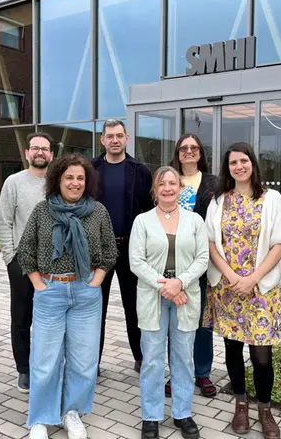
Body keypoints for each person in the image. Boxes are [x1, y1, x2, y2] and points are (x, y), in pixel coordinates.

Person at [17, 154, 118, 439]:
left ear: (87, 182)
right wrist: (39, 284)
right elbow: (26, 251)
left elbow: (110, 251)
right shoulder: (42, 211)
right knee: (45, 360)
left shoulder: (98, 211)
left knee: (84, 361)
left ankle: (71, 412)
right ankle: (41, 418)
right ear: (58, 180)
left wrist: (95, 282)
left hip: (86, 294)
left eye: (80, 178)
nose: (75, 183)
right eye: (69, 177)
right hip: (51, 292)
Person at [204, 142, 281, 439]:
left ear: (253, 163)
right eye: (233, 163)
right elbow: (210, 242)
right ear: (227, 168)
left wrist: (253, 278)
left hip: (260, 289)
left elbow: (280, 243)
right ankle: (241, 404)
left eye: (243, 161)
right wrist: (230, 276)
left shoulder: (271, 198)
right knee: (232, 349)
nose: (239, 167)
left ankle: (265, 409)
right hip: (227, 289)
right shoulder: (219, 201)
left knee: (262, 356)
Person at [130, 166, 209, 439]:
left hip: (185, 297)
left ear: (180, 188)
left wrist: (180, 283)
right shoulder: (142, 221)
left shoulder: (195, 221)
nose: (167, 188)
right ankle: (151, 416)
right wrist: (167, 287)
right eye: (162, 184)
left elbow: (203, 258)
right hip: (153, 297)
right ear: (155, 189)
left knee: (183, 357)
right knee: (152, 358)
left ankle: (182, 413)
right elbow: (136, 261)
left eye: (172, 183)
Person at [92, 118, 153, 373]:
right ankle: (92, 362)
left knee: (134, 307)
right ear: (102, 140)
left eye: (119, 136)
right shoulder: (91, 169)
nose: (115, 140)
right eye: (110, 136)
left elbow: (149, 211)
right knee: (96, 308)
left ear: (126, 139)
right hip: (99, 250)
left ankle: (141, 357)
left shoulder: (140, 171)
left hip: (131, 249)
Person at [0, 132, 54, 394]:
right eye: (35, 148)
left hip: (53, 263)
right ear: (27, 153)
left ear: (51, 154)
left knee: (49, 318)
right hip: (21, 262)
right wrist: (10, 258)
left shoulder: (57, 182)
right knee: (21, 318)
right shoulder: (14, 182)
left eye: (44, 148)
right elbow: (5, 222)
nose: (40, 152)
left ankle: (46, 365)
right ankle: (24, 368)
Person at [166, 134, 217, 398]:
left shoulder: (213, 183)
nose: (188, 151)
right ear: (178, 152)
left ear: (200, 152)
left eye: (193, 147)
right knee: (175, 322)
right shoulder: (168, 179)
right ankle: (177, 373)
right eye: (184, 148)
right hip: (172, 261)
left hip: (203, 260)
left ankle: (202, 372)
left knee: (202, 321)